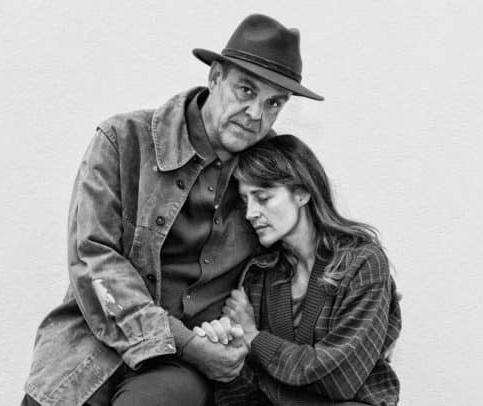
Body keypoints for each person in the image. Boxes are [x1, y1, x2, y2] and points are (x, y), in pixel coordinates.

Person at [21, 14, 323, 406]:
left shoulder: (273, 176)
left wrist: (364, 283)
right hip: (92, 343)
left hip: (183, 367)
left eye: (273, 103)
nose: (255, 114)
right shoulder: (123, 140)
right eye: (245, 90)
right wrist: (185, 344)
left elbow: (311, 246)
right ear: (215, 77)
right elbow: (92, 258)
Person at [195, 134, 401, 405]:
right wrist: (230, 348)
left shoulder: (363, 263)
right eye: (246, 201)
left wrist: (254, 338)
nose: (250, 213)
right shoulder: (259, 274)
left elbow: (339, 377)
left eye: (263, 198)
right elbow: (243, 390)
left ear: (302, 193)